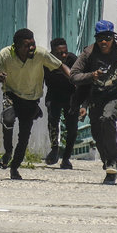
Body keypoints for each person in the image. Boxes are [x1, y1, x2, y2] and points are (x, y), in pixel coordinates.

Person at [0, 28, 69, 180]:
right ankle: (7, 152)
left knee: (24, 137)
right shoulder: (5, 55)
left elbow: (60, 66)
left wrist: (74, 78)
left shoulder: (40, 54)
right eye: (27, 45)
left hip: (31, 100)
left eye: (33, 44)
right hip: (12, 94)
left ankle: (14, 168)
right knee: (8, 118)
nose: (32, 48)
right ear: (17, 46)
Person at [70, 20, 117, 185]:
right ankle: (108, 163)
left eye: (107, 38)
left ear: (113, 38)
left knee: (107, 119)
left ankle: (112, 161)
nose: (103, 42)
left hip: (113, 94)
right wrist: (91, 76)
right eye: (100, 38)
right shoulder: (89, 53)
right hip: (94, 96)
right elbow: (73, 75)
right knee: (97, 132)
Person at [43, 38, 87, 170]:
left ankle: (66, 159)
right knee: (52, 121)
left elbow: (84, 83)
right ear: (52, 53)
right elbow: (38, 80)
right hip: (54, 96)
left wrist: (84, 105)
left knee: (72, 129)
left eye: (65, 52)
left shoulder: (73, 60)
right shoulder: (46, 61)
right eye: (60, 53)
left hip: (71, 97)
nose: (63, 56)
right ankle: (54, 149)